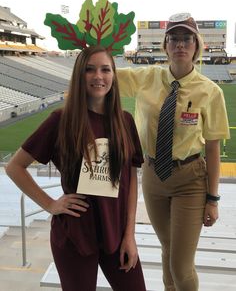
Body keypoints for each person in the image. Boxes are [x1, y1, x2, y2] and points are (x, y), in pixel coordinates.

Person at [5, 45, 147, 291]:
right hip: (74, 234)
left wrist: (130, 234)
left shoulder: (125, 121)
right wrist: (50, 204)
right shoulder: (61, 120)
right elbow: (15, 166)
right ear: (80, 75)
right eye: (89, 70)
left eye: (105, 69)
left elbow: (130, 179)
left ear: (114, 75)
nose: (98, 76)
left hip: (117, 232)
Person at [117, 13, 230, 291]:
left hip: (190, 179)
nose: (181, 44)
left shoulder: (210, 91)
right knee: (167, 248)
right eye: (174, 39)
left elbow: (213, 147)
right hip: (154, 176)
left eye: (187, 39)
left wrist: (213, 199)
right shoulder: (146, 78)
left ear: (196, 45)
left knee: (180, 265)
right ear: (165, 45)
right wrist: (90, 54)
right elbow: (103, 74)